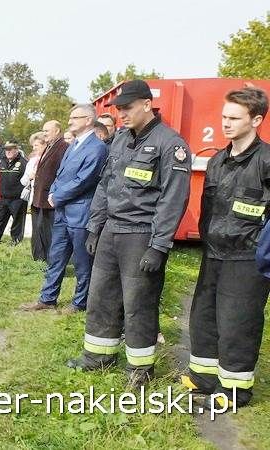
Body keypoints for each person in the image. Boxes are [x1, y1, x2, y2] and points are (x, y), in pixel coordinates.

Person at [67, 80, 191, 388]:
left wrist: (159, 246)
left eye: (127, 108)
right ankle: (98, 356)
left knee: (138, 303)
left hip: (141, 235)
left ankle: (140, 369)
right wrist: (95, 226)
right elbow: (105, 185)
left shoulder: (170, 144)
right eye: (119, 109)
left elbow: (173, 200)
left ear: (147, 105)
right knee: (101, 296)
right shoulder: (121, 139)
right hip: (111, 230)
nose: (121, 114)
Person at [182, 87, 270, 408]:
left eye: (234, 118)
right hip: (214, 254)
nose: (226, 123)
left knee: (238, 323)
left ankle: (234, 391)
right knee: (204, 317)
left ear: (256, 120)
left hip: (247, 257)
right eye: (224, 117)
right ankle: (204, 380)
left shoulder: (267, 160)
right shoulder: (218, 160)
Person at [21, 105, 108, 313]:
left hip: (80, 212)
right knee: (56, 256)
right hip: (62, 211)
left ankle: (79, 303)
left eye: (74, 118)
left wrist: (57, 195)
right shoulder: (74, 145)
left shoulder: (97, 147)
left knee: (81, 261)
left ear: (88, 120)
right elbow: (61, 174)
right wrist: (54, 192)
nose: (69, 121)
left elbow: (84, 179)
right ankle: (47, 298)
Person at [31, 121, 69, 261]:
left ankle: (52, 260)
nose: (44, 133)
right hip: (41, 196)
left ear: (57, 130)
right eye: (44, 130)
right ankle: (43, 259)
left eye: (47, 131)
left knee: (51, 233)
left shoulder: (63, 147)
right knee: (41, 230)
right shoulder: (49, 146)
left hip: (51, 198)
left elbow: (62, 172)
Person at [0, 141, 28, 243]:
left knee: (17, 221)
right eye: (6, 149)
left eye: (11, 149)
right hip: (3, 197)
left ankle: (16, 241)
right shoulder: (2, 161)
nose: (8, 152)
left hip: (17, 198)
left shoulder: (23, 163)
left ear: (16, 150)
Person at [21, 132, 46, 208]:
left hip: (46, 200)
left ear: (45, 145)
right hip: (33, 199)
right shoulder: (32, 161)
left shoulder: (50, 159)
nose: (34, 148)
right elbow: (23, 181)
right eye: (33, 146)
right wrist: (30, 178)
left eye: (36, 145)